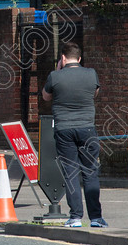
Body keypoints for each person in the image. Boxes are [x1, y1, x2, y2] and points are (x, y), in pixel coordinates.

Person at [41, 42, 108, 228]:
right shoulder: (91, 74)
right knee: (90, 172)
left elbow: (45, 96)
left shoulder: (55, 76)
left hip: (63, 130)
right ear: (79, 59)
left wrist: (57, 72)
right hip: (87, 128)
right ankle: (96, 218)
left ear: (63, 58)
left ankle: (76, 217)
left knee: (71, 174)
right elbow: (94, 93)